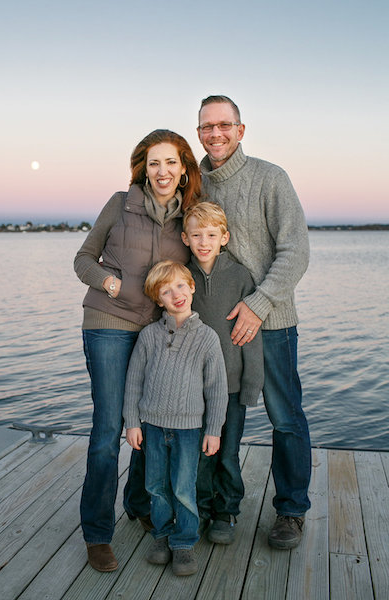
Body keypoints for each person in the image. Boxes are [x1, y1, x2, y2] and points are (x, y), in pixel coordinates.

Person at [74, 129, 201, 572]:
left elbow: (202, 261)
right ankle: (97, 533)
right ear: (143, 169)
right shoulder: (120, 202)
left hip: (156, 331)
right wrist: (111, 283)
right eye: (153, 163)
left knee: (150, 422)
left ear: (183, 169)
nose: (161, 171)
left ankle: (138, 503)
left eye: (170, 163)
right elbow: (83, 259)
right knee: (109, 430)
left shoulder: (189, 216)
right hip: (108, 323)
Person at [196, 95, 311, 550]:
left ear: (241, 130)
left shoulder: (270, 178)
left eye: (225, 125)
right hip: (215, 325)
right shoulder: (195, 184)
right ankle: (209, 504)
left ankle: (292, 511)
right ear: (199, 131)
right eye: (207, 126)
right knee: (212, 418)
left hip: (273, 321)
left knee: (284, 418)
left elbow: (296, 252)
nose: (216, 133)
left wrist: (258, 304)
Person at [123, 261, 228, 576]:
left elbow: (217, 389)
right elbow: (133, 382)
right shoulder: (149, 336)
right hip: (153, 427)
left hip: (188, 430)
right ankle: (162, 534)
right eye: (166, 291)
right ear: (158, 300)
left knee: (183, 487)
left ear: (192, 287)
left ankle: (183, 542)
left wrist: (213, 430)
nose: (176, 295)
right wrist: (132, 422)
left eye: (181, 286)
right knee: (156, 485)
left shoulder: (207, 338)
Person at [181, 202, 264, 544]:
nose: (204, 242)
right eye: (197, 235)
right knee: (200, 453)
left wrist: (251, 385)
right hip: (193, 388)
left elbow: (251, 337)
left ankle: (226, 510)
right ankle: (199, 508)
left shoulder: (240, 276)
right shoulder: (181, 278)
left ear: (224, 237)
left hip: (231, 386)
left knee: (228, 451)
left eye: (212, 235)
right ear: (184, 238)